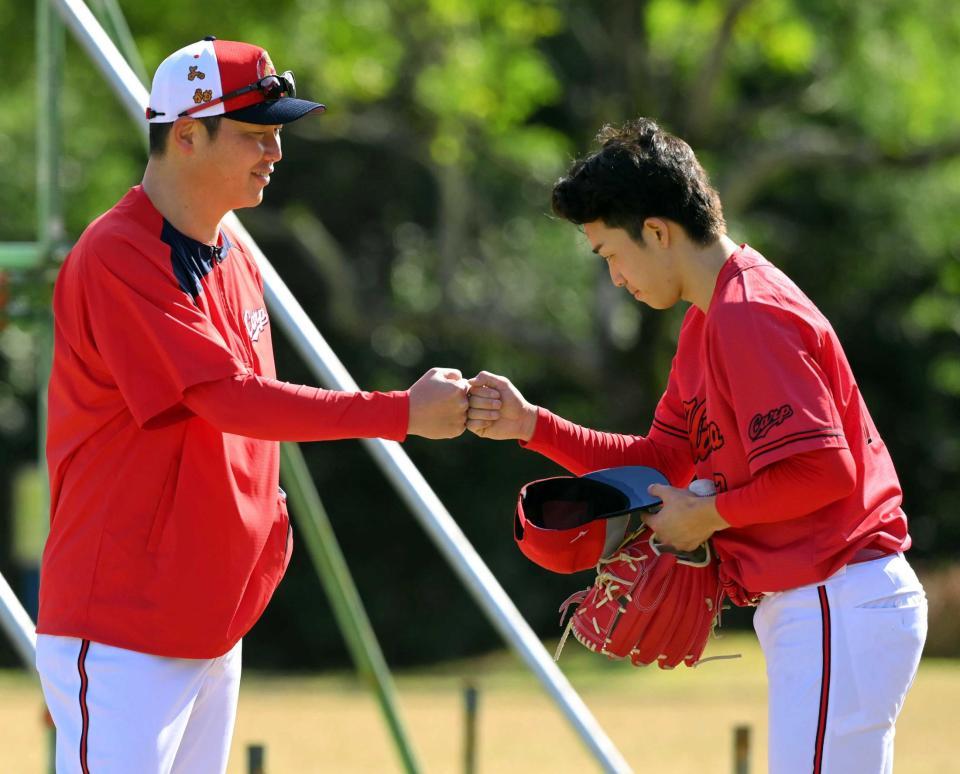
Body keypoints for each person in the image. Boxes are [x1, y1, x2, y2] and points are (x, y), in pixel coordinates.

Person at [36, 37, 469, 774]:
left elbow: (247, 431)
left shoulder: (232, 253)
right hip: (120, 629)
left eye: (277, 133)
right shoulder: (117, 252)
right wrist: (400, 413)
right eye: (255, 134)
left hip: (208, 620)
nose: (276, 151)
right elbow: (231, 401)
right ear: (185, 134)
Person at [465, 118, 927, 774]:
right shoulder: (711, 320)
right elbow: (661, 461)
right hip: (828, 604)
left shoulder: (749, 313)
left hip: (836, 594)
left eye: (609, 255)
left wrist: (705, 516)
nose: (617, 277)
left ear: (657, 231)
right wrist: (531, 425)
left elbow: (824, 471)